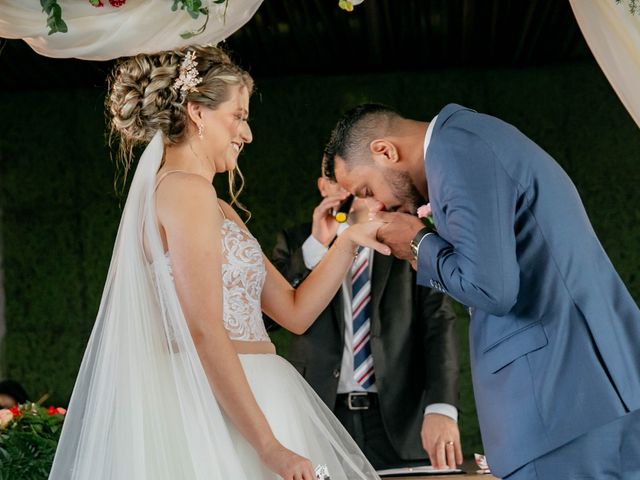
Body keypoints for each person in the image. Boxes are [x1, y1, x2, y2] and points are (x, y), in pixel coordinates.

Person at [49, 46, 389, 480]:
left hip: (261, 393)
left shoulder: (219, 207)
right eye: (239, 116)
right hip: (216, 408)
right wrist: (270, 448)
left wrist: (348, 241)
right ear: (197, 113)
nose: (246, 134)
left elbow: (295, 312)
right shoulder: (184, 192)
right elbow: (205, 330)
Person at [322, 103, 640, 479]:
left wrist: (420, 244)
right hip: (591, 394)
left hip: (559, 404)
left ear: (385, 151)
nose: (375, 206)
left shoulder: (456, 149)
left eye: (366, 189)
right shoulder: (469, 138)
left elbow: (490, 289)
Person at [270, 172, 461, 470]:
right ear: (323, 186)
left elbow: (439, 323)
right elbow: (268, 316)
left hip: (400, 416)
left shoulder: (406, 240)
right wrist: (316, 246)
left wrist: (442, 407)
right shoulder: (297, 243)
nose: (353, 189)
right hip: (323, 415)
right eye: (341, 179)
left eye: (359, 178)